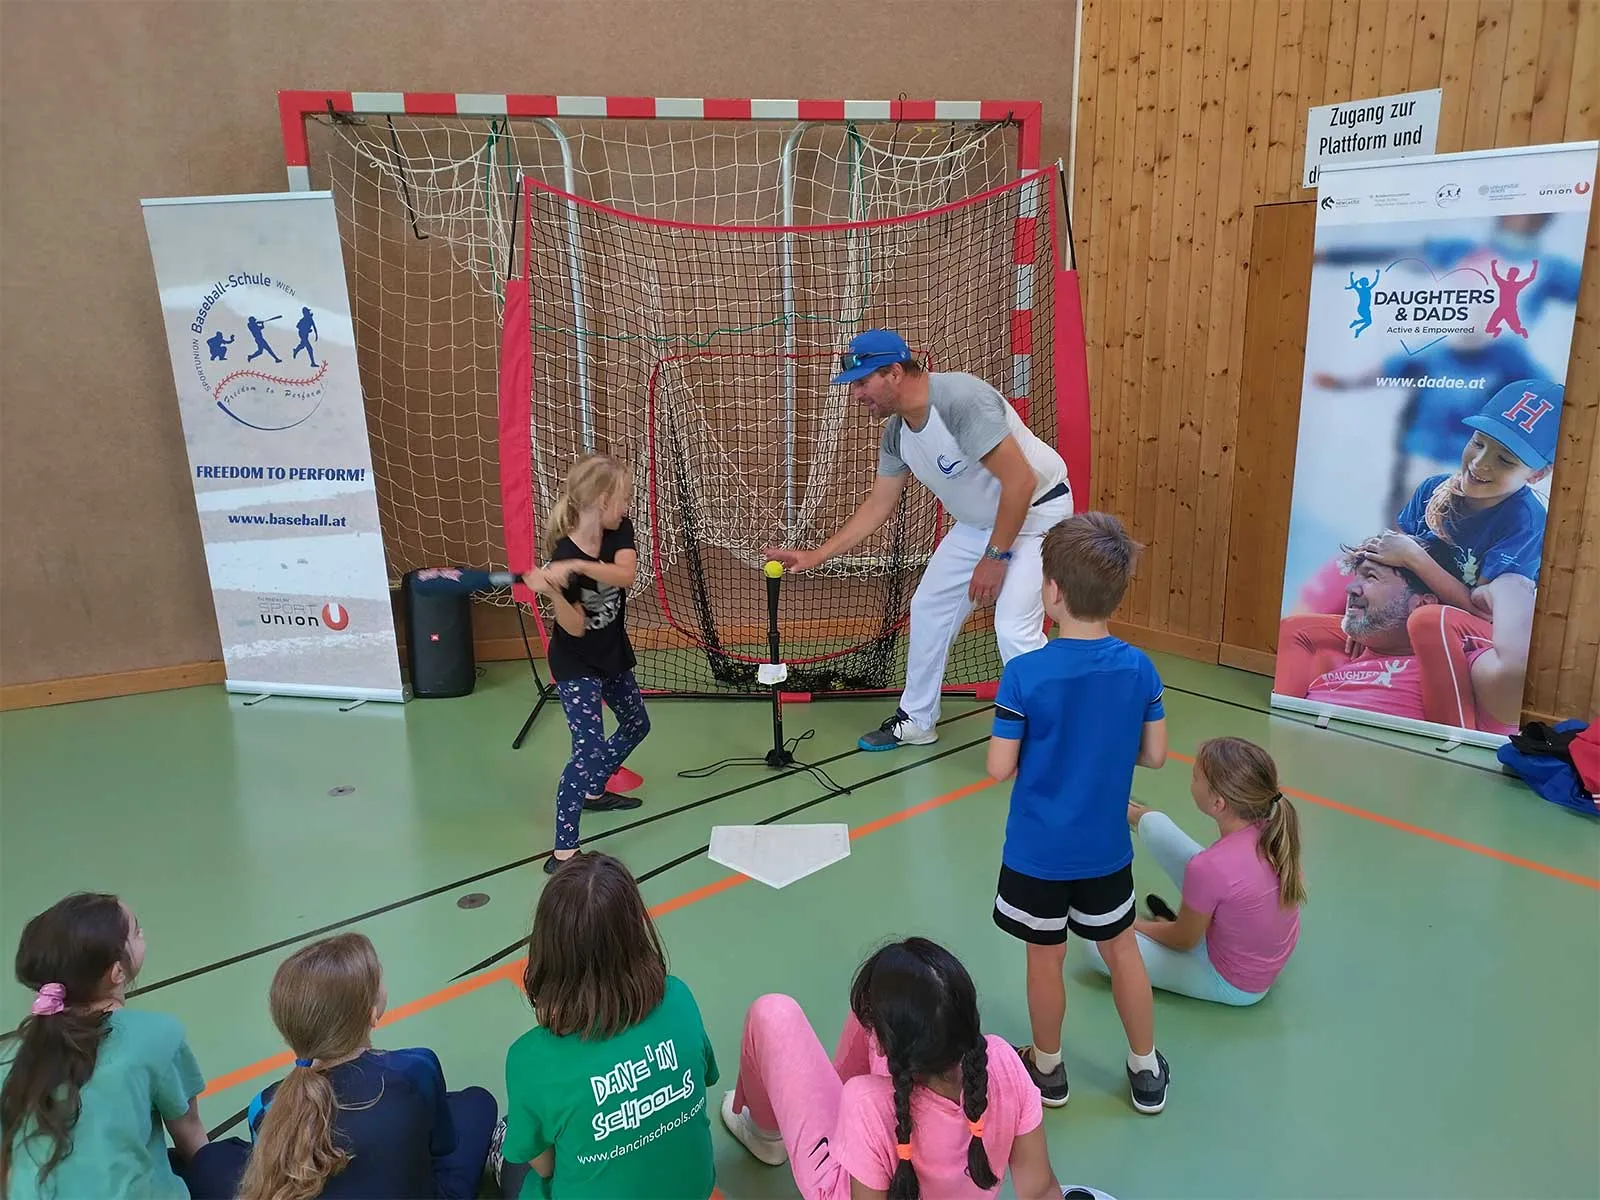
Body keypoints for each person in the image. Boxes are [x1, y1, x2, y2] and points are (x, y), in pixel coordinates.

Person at [767, 329, 1074, 752]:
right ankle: (917, 719)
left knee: (1012, 627)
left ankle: (1054, 736)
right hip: (979, 524)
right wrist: (817, 555)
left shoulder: (960, 401)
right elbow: (879, 504)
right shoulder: (897, 434)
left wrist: (995, 557)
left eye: (862, 382)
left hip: (1039, 515)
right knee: (929, 607)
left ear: (894, 372)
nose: (856, 395)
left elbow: (1020, 482)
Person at [985, 512, 1170, 1114]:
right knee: (1121, 950)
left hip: (1038, 854)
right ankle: (1146, 1069)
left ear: (1053, 592)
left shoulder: (1024, 673)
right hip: (1106, 852)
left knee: (1046, 958)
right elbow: (1155, 754)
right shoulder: (1140, 667)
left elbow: (998, 767)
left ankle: (1048, 1069)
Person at [720, 937, 1066, 1200]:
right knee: (871, 1008)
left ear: (887, 1050)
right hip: (892, 1147)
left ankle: (765, 1137)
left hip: (853, 1179)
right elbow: (1041, 1192)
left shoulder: (866, 1104)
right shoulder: (1004, 1060)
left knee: (773, 1013)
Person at [192, 932, 496, 1200]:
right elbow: (440, 1147)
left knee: (213, 1158)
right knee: (477, 1102)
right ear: (372, 1014)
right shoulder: (416, 1067)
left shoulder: (265, 1105)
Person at [497, 852, 718, 1199]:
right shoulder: (679, 998)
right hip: (694, 1189)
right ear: (636, 931)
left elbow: (546, 1167)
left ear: (548, 950)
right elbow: (704, 1078)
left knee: (514, 1146)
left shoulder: (529, 1059)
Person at [1, 893, 209, 1198]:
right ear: (118, 972)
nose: (143, 933)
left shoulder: (9, 1059)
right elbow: (190, 1135)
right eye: (136, 931)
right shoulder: (158, 1035)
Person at [1086, 737, 1305, 1006]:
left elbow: (1183, 940)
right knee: (1153, 823)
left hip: (1234, 983)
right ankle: (1117, 807)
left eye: (1195, 777)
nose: (1191, 781)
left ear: (1218, 804)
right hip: (1250, 952)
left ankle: (1165, 928)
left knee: (1096, 946)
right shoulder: (1273, 833)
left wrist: (1132, 925)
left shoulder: (1211, 867)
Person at [521, 452, 650, 873]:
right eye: (623, 499)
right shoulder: (563, 552)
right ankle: (563, 852)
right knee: (588, 749)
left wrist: (578, 567)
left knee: (637, 724)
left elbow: (626, 575)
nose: (628, 506)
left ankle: (594, 790)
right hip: (576, 662)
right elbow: (574, 628)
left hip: (611, 650)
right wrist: (555, 590)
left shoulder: (618, 530)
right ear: (601, 500)